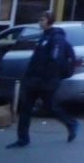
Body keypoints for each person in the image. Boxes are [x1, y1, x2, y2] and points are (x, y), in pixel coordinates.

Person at [8, 11, 79, 149]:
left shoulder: (56, 38)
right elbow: (37, 60)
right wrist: (29, 75)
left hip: (46, 81)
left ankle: (71, 123)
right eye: (39, 20)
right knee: (25, 108)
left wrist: (45, 78)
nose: (39, 22)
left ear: (48, 21)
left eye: (42, 20)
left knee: (50, 107)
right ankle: (22, 139)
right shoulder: (44, 36)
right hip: (34, 79)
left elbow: (55, 60)